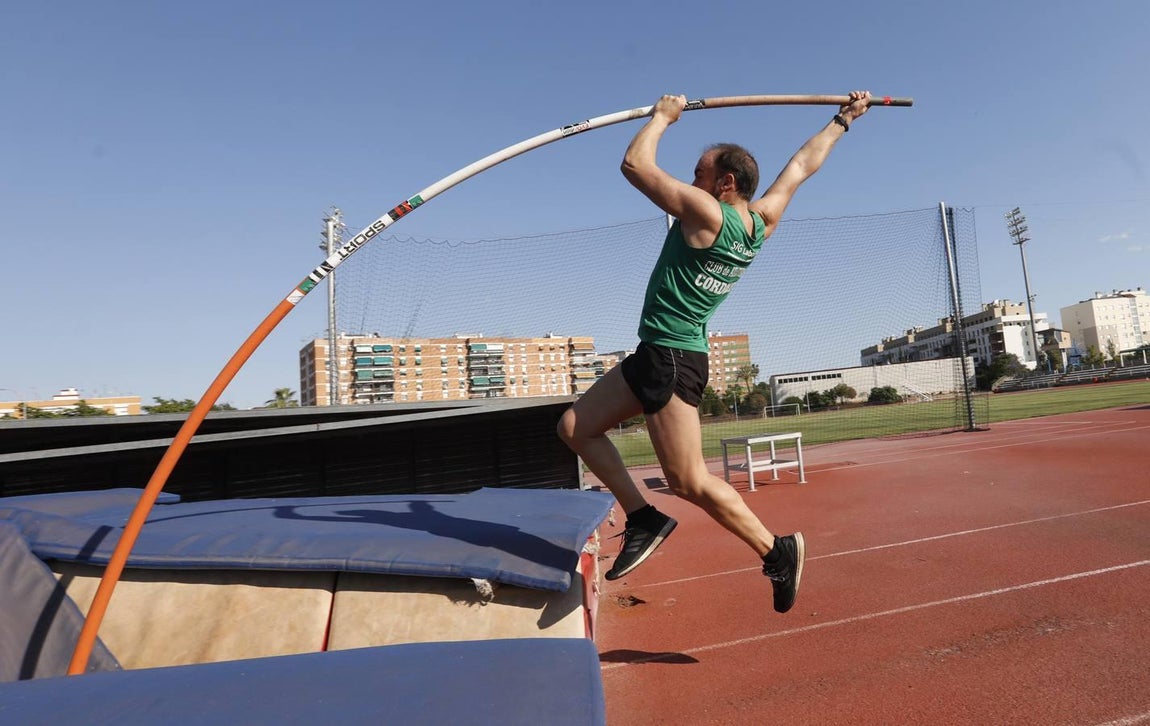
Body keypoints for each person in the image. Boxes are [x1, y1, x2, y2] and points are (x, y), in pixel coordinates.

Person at [557, 91, 873, 614]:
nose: (693, 179)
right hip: (657, 352)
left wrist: (663, 118)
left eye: (700, 172)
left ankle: (776, 549)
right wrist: (843, 120)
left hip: (672, 357)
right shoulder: (760, 223)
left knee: (688, 480)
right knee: (574, 428)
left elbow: (634, 164)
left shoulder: (707, 212)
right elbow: (800, 167)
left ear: (725, 183)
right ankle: (642, 517)